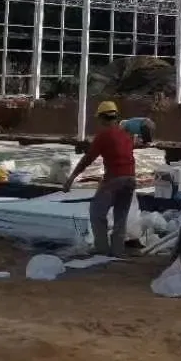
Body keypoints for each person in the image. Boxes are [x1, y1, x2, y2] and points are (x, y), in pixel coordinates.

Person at [62, 100, 136, 257]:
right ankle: (117, 251)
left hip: (115, 178)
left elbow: (87, 159)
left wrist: (71, 178)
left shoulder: (103, 136)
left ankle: (102, 248)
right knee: (120, 215)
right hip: (131, 179)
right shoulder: (126, 135)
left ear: (102, 118)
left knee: (97, 212)